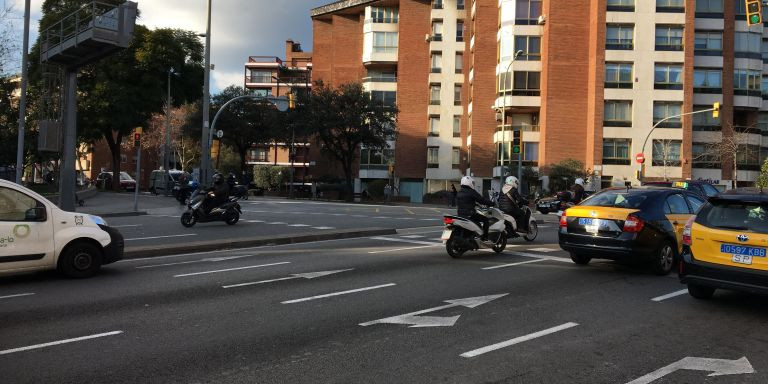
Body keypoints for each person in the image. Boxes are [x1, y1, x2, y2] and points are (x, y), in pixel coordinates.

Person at [457, 176, 494, 240]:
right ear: (469, 183)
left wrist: (474, 203)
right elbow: (481, 200)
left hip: (460, 214)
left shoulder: (460, 192)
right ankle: (485, 237)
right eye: (472, 182)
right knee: (485, 220)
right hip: (470, 214)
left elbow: (466, 201)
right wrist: (491, 203)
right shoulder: (471, 191)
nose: (473, 184)